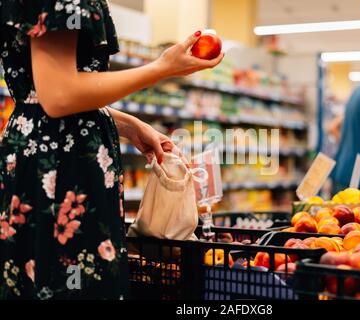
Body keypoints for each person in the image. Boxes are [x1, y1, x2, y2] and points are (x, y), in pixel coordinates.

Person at [0, 1, 223, 300]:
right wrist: (161, 68)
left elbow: (42, 95)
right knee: (70, 284)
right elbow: (58, 95)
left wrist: (127, 124)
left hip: (57, 156)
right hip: (61, 169)